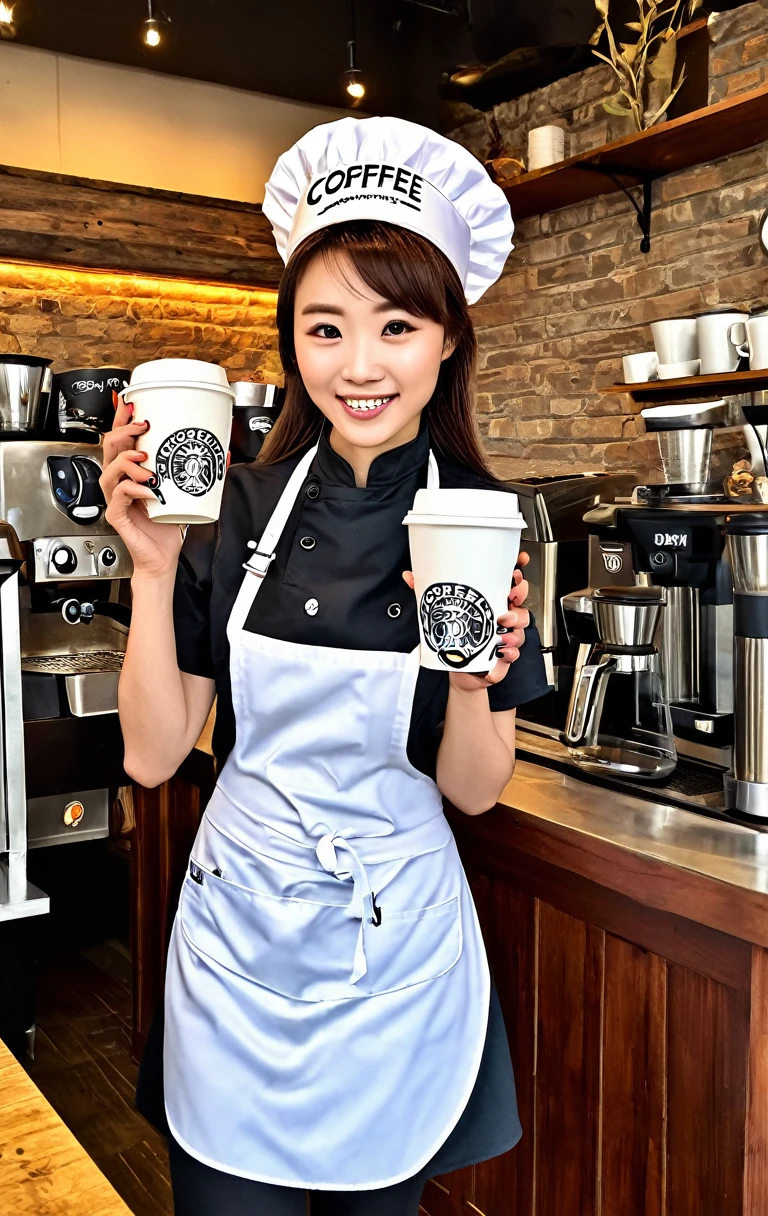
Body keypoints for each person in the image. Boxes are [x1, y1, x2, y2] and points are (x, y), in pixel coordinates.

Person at [102, 116, 550, 1216]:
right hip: (235, 954)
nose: (358, 366)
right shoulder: (231, 509)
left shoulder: (484, 525)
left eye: (396, 325)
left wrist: (474, 674)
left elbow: (474, 788)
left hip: (391, 971)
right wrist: (153, 571)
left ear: (447, 340)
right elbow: (155, 758)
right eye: (324, 326)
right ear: (291, 342)